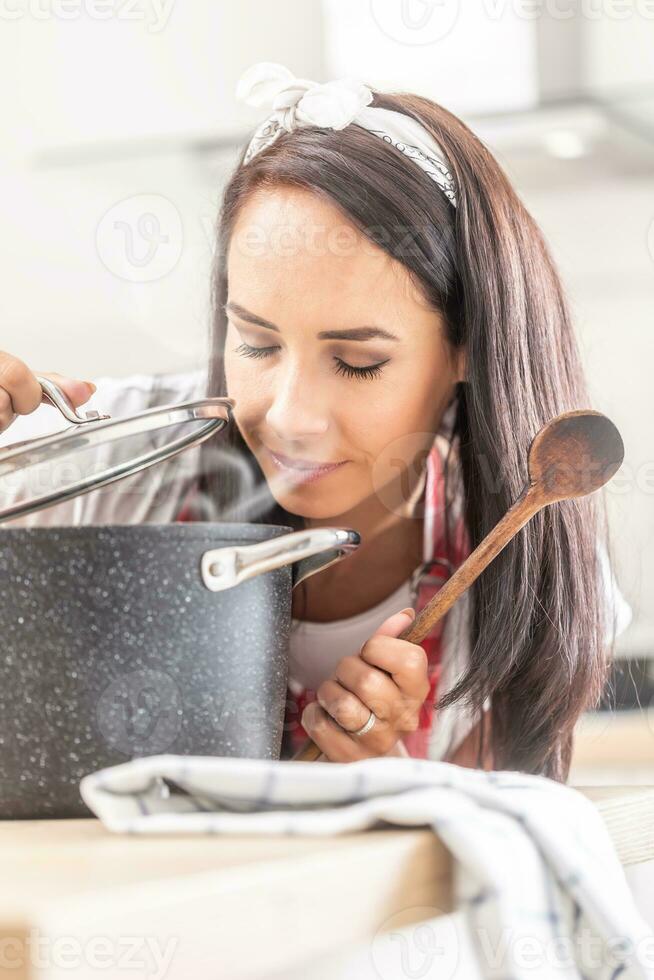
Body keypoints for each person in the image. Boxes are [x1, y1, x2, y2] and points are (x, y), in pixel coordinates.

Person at [0, 62, 632, 780]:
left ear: (465, 347)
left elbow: (471, 857)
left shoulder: (528, 584)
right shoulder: (105, 457)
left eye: (359, 361)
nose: (291, 416)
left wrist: (387, 783)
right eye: (257, 343)